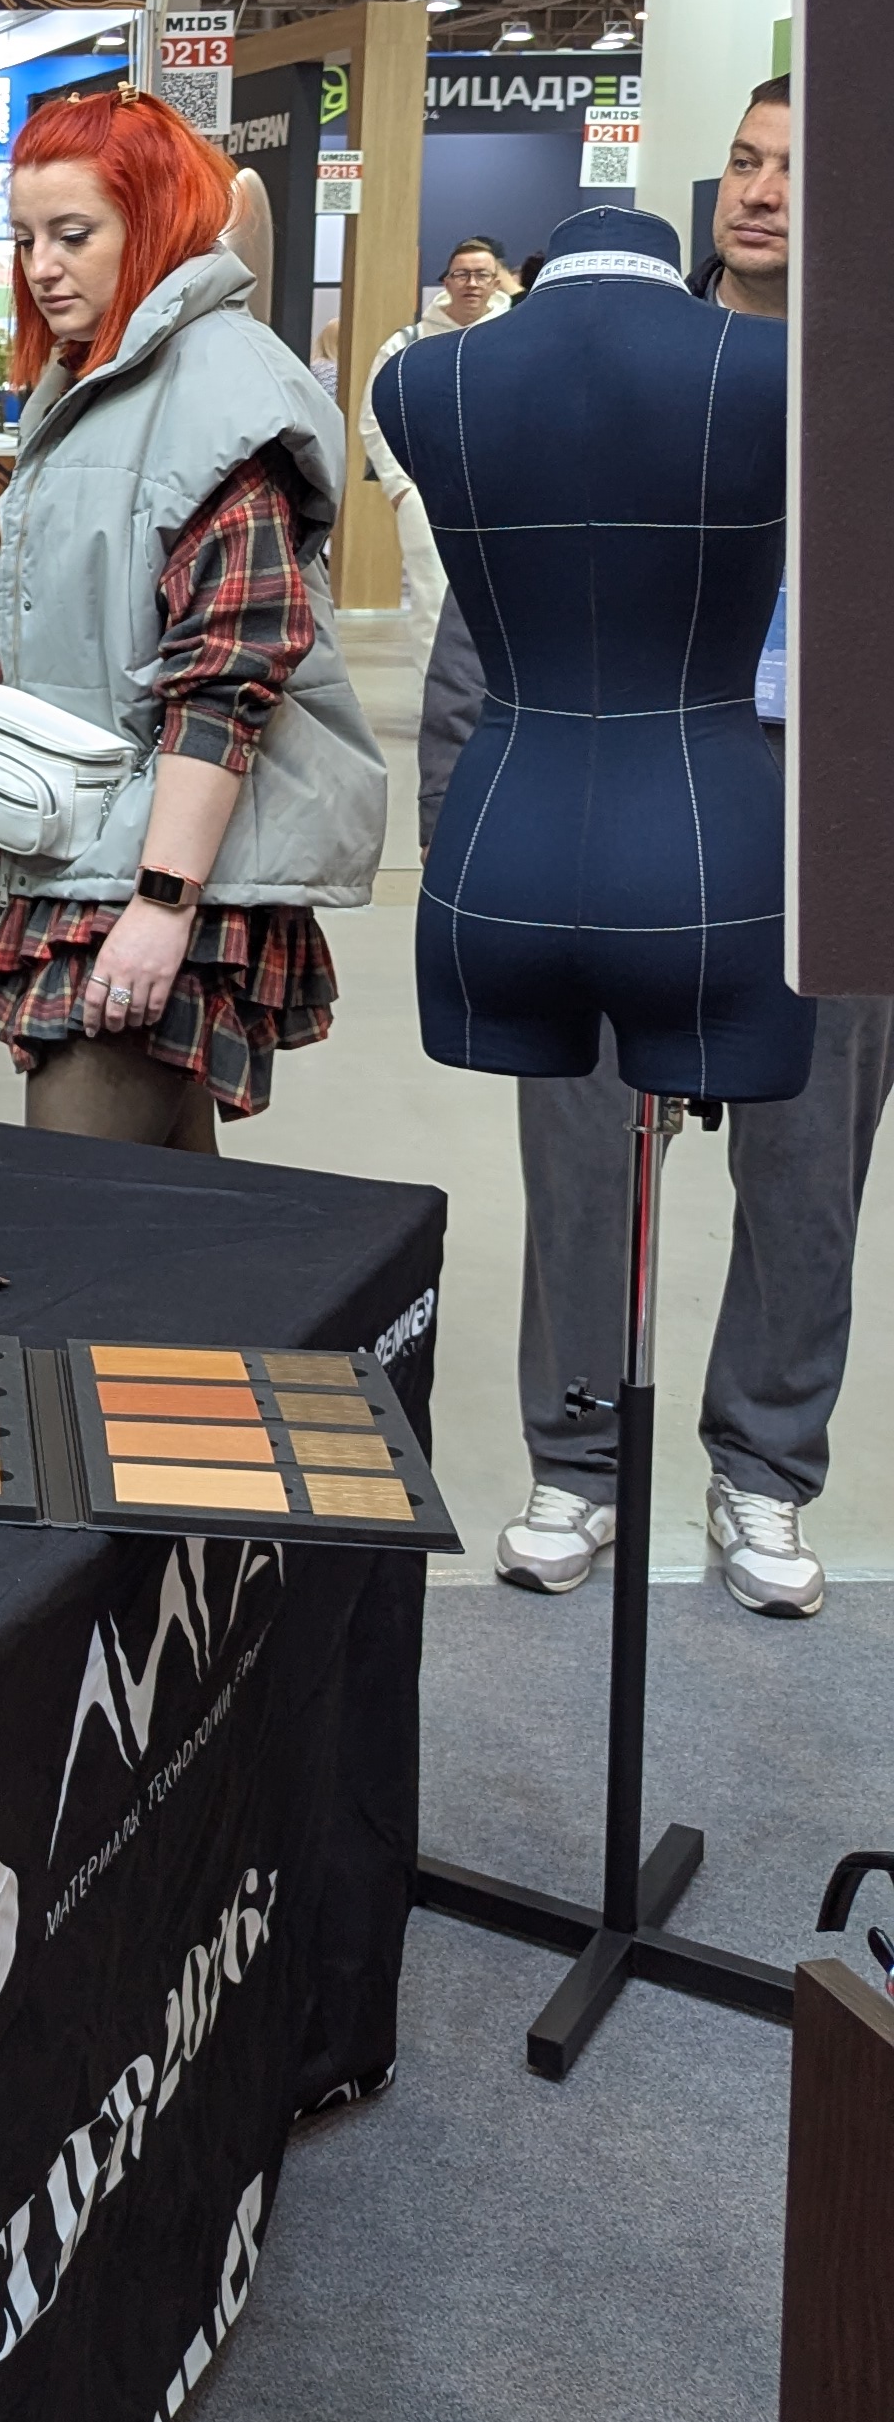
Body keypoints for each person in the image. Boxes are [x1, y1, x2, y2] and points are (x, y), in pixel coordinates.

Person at [451, 80, 893, 1615]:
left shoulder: (866, 394)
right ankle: (577, 1463)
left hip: (824, 811)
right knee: (585, 1148)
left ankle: (765, 1471)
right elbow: (495, 588)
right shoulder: (607, 361)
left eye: (797, 170)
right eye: (748, 163)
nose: (761, 192)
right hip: (616, 787)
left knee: (810, 1169)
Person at [0, 87, 385, 1148]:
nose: (42, 267)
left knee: (81, 1210)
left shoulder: (223, 392)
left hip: (141, 867)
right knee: (164, 1211)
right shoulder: (106, 377)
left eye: (74, 234)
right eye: (26, 238)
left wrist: (164, 902)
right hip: (86, 844)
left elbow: (230, 671)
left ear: (155, 222)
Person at [360, 233, 516, 623]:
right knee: (432, 597)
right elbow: (375, 416)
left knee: (505, 600)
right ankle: (430, 670)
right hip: (426, 489)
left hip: (505, 489)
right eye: (462, 274)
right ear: (446, 281)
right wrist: (399, 486)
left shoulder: (517, 341)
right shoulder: (408, 344)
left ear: (496, 281)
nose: (472, 283)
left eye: (482, 274)